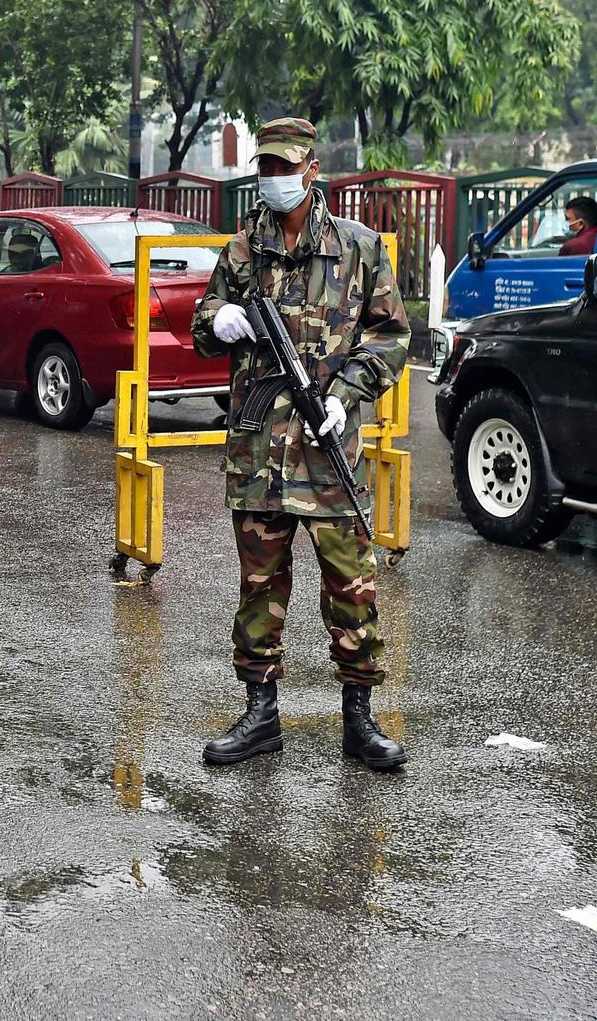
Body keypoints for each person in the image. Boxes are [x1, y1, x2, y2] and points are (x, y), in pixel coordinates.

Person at [192, 117, 411, 773]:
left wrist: (345, 392)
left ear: (313, 169)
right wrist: (219, 319)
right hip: (260, 454)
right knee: (259, 586)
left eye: (287, 167)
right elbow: (205, 326)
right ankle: (260, 715)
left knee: (352, 586)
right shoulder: (241, 252)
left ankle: (359, 720)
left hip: (327, 452)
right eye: (267, 167)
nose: (276, 179)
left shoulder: (359, 248)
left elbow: (392, 336)